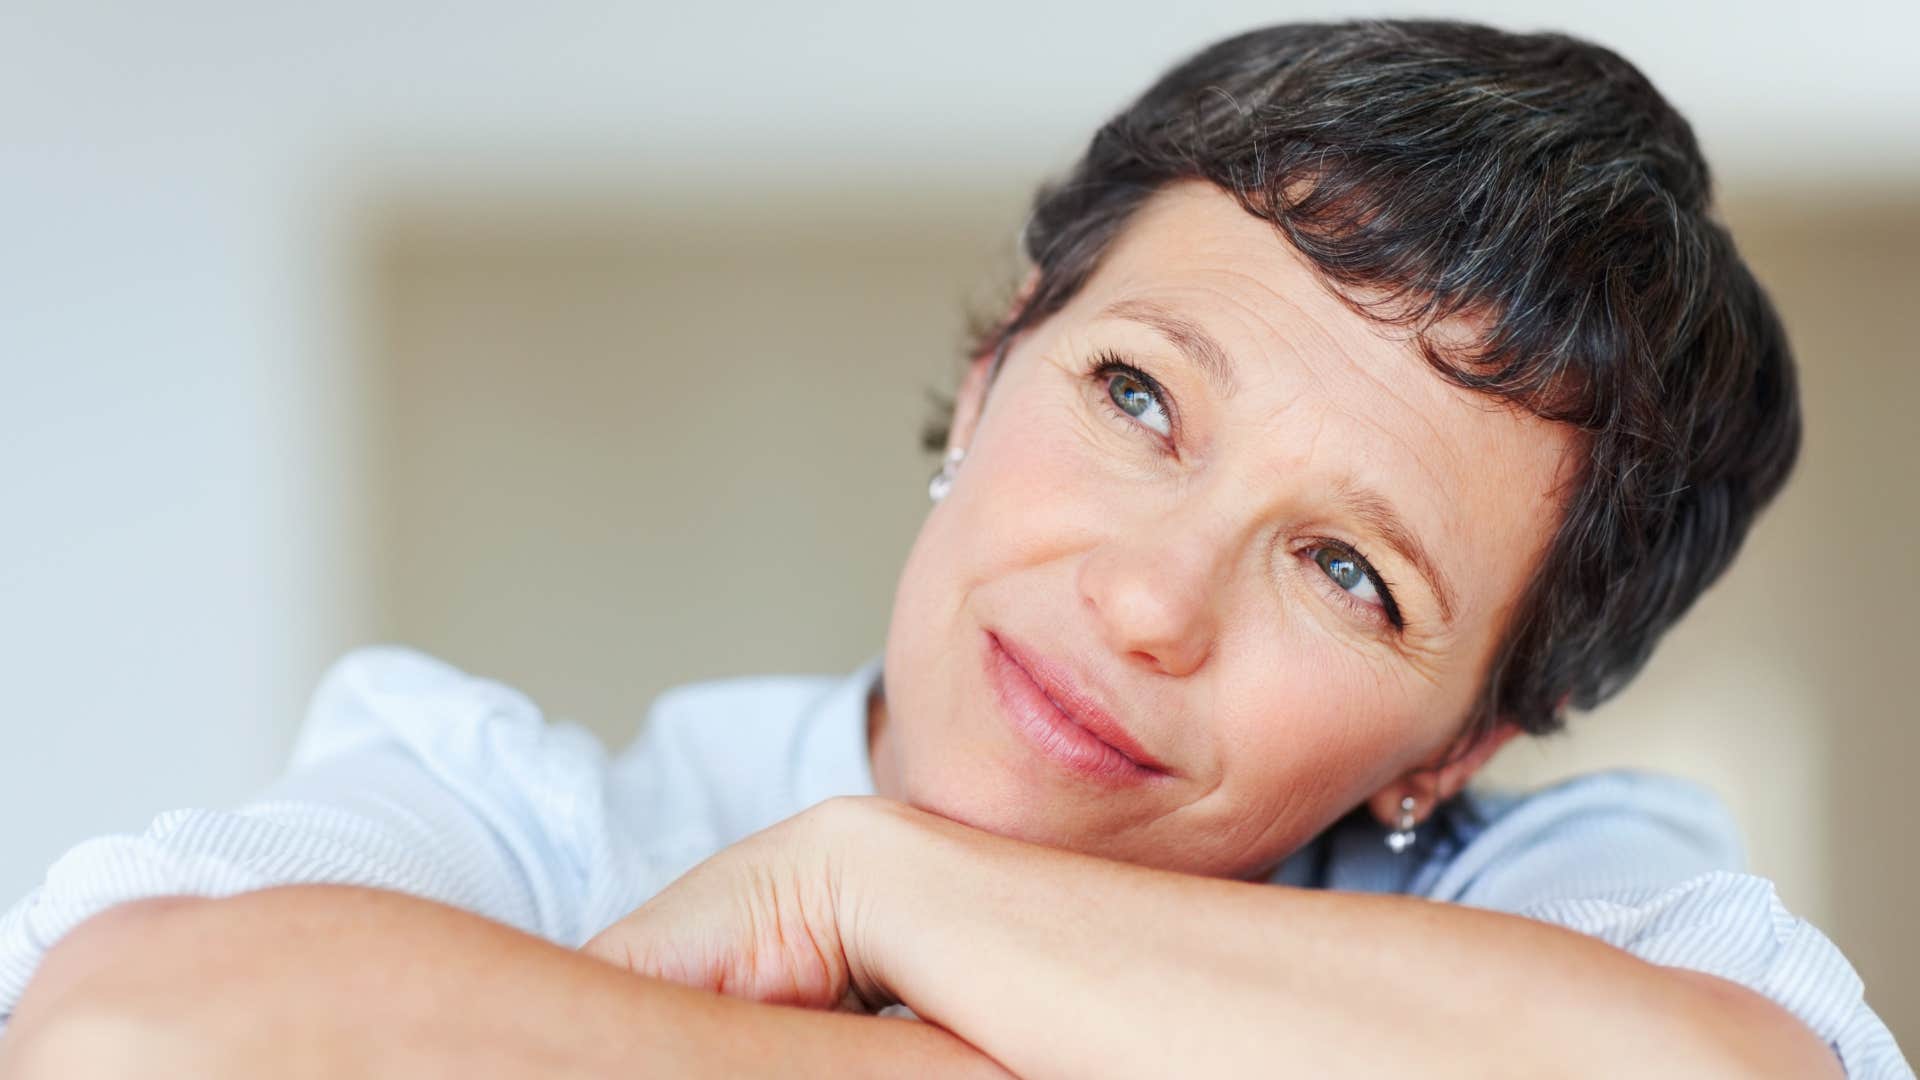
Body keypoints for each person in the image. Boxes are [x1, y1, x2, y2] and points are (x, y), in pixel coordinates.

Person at [0, 17, 1908, 1078]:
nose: (1151, 603)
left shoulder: (1565, 898)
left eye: (1350, 572)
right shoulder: (515, 820)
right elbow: (130, 1037)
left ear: (1455, 752)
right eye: (1143, 398)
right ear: (1000, 361)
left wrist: (859, 890)